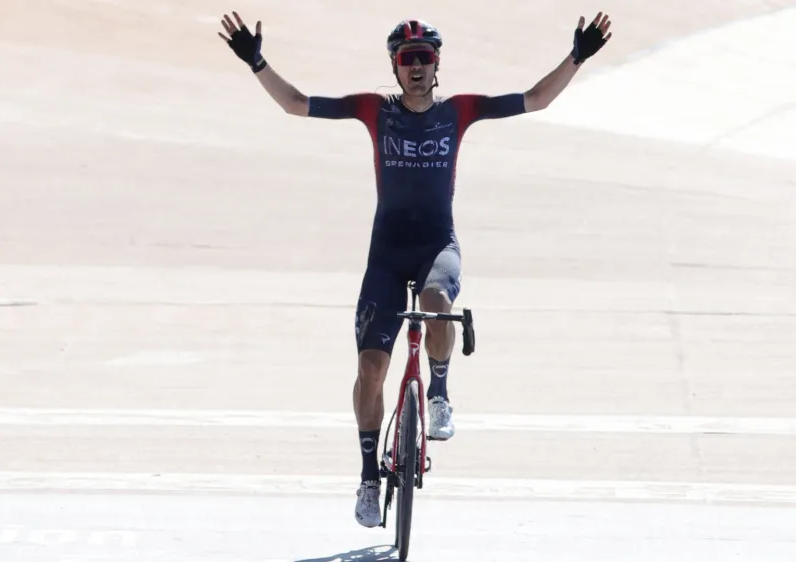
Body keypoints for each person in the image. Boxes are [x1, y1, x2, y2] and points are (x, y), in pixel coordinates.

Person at [218, 12, 612, 528]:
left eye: (426, 57)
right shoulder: (374, 111)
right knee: (370, 370)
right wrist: (257, 63)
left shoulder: (459, 112)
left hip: (435, 246)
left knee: (437, 306)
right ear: (395, 67)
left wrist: (577, 56)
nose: (418, 66)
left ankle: (440, 392)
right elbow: (297, 104)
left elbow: (535, 99)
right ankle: (366, 477)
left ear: (437, 63)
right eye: (409, 59)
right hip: (386, 253)